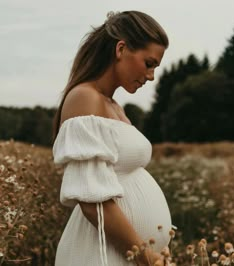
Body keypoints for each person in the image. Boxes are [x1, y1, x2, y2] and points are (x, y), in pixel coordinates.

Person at [52, 10, 172, 266]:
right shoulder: (85, 98)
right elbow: (92, 201)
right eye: (148, 63)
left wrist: (156, 247)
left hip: (124, 254)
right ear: (121, 49)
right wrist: (145, 256)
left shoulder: (114, 106)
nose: (151, 76)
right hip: (99, 255)